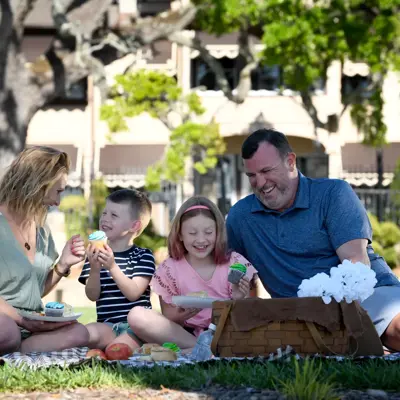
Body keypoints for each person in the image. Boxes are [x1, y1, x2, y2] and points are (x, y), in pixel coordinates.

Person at [226, 128, 400, 351]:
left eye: (266, 171)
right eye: (252, 176)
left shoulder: (333, 194)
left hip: (367, 295)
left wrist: (339, 325)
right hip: (298, 315)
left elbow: (357, 264)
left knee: (397, 332)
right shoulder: (241, 216)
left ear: (290, 162)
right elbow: (237, 274)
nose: (260, 182)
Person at [127, 196, 258, 350]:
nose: (201, 240)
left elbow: (251, 316)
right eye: (192, 233)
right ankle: (201, 349)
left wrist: (238, 299)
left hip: (228, 332)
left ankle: (200, 350)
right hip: (185, 335)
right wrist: (181, 316)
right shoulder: (169, 270)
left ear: (218, 233)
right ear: (180, 235)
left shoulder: (235, 264)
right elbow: (169, 320)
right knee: (136, 315)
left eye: (208, 232)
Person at [0, 146, 89, 356]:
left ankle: (19, 351)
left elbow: (33, 291)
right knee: (7, 332)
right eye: (58, 191)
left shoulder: (41, 229)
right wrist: (22, 320)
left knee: (80, 332)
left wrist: (62, 266)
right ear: (38, 183)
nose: (58, 202)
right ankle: (19, 346)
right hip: (7, 320)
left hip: (30, 321)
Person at [79, 189, 156, 351]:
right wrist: (94, 269)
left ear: (134, 226)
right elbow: (92, 295)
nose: (105, 219)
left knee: (116, 349)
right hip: (107, 326)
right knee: (83, 333)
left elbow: (134, 293)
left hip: (136, 328)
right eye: (104, 213)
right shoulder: (95, 254)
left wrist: (112, 267)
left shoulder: (143, 256)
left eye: (114, 215)